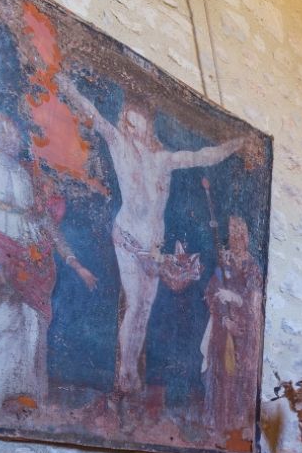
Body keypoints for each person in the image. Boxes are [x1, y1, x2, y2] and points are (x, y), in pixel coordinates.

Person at [56, 74, 250, 396]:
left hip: (154, 244)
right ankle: (127, 370)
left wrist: (236, 144)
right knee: (134, 304)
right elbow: (96, 117)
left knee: (145, 309)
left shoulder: (163, 160)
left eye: (139, 124)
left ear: (148, 124)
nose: (133, 131)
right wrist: (69, 87)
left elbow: (202, 156)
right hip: (129, 237)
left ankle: (131, 368)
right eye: (129, 124)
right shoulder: (119, 146)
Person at [0, 110, 96, 416]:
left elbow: (46, 223)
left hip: (30, 254)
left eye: (14, 131)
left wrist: (75, 263)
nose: (13, 137)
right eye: (5, 131)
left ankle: (21, 395)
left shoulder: (27, 175)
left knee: (29, 323)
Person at [199, 215, 263, 441]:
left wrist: (235, 298)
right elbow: (211, 292)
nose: (236, 240)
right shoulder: (223, 265)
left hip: (244, 335)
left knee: (241, 378)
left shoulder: (252, 268)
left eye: (239, 236)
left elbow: (254, 302)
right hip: (223, 330)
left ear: (246, 238)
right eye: (232, 236)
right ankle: (219, 428)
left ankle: (240, 428)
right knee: (221, 377)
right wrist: (224, 317)